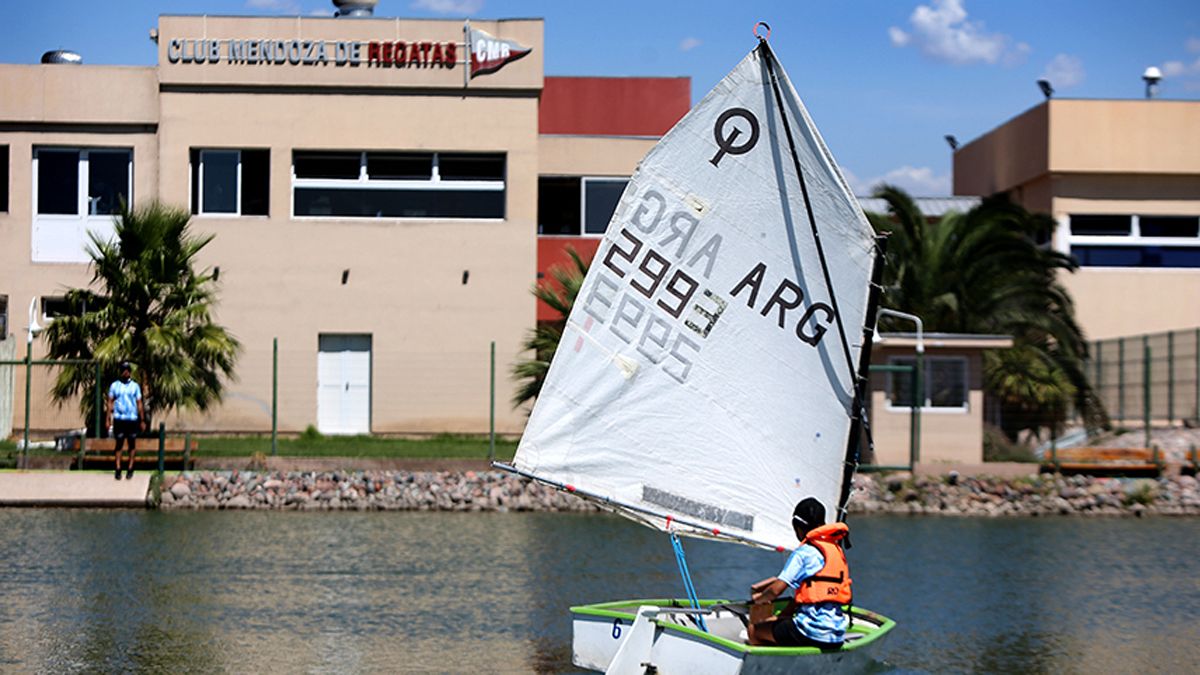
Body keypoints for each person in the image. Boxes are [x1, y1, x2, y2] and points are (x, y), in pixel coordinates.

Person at [748, 497, 852, 649]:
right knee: (781, 625)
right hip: (836, 634)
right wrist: (781, 616)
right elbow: (806, 596)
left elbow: (776, 590)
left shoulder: (803, 553)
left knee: (754, 630)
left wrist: (759, 600)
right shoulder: (835, 550)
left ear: (797, 527)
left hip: (810, 632)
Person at [106, 361, 145, 480]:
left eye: (127, 369)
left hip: (132, 419)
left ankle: (130, 467)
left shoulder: (135, 386)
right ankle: (118, 468)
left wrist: (142, 419)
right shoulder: (115, 385)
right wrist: (108, 419)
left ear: (130, 371)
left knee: (132, 444)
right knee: (119, 444)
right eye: (123, 369)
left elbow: (139, 403)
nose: (125, 372)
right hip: (119, 418)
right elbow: (110, 402)